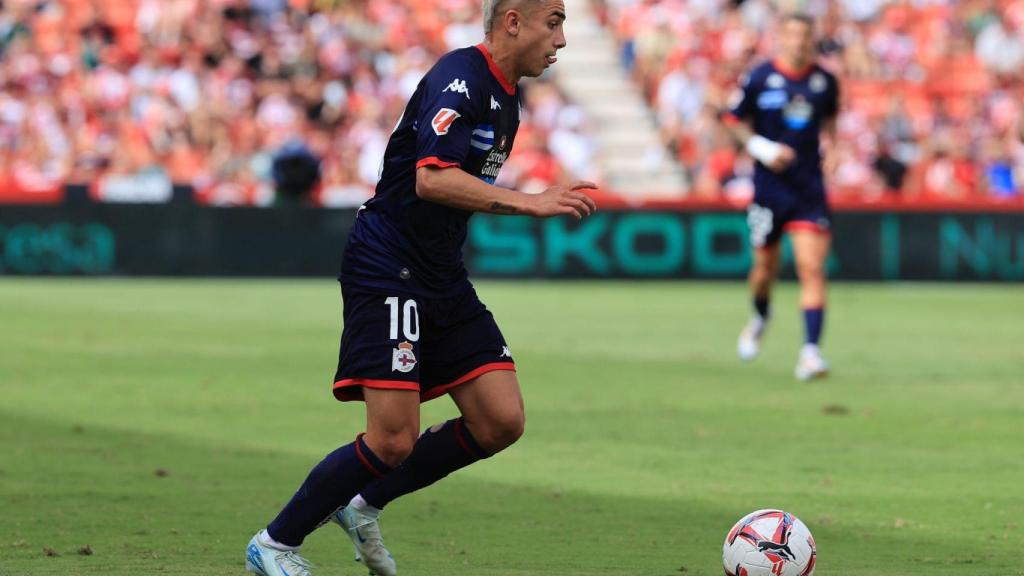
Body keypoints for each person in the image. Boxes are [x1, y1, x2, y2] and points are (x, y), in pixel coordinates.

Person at [245, 1, 597, 575]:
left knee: (499, 421)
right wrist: (528, 203)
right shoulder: (462, 77)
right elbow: (431, 178)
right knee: (390, 440)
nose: (561, 39)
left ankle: (362, 507)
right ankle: (275, 543)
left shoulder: (507, 93)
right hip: (388, 264)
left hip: (439, 271)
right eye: (553, 22)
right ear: (513, 21)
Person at [722, 13, 839, 381]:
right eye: (792, 35)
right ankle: (760, 316)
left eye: (805, 35)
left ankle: (810, 353)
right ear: (780, 38)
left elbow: (831, 122)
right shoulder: (759, 77)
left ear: (812, 39)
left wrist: (833, 148)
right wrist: (761, 147)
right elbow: (732, 121)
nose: (799, 42)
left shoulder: (825, 81)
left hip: (809, 189)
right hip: (769, 189)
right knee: (763, 271)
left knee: (812, 267)